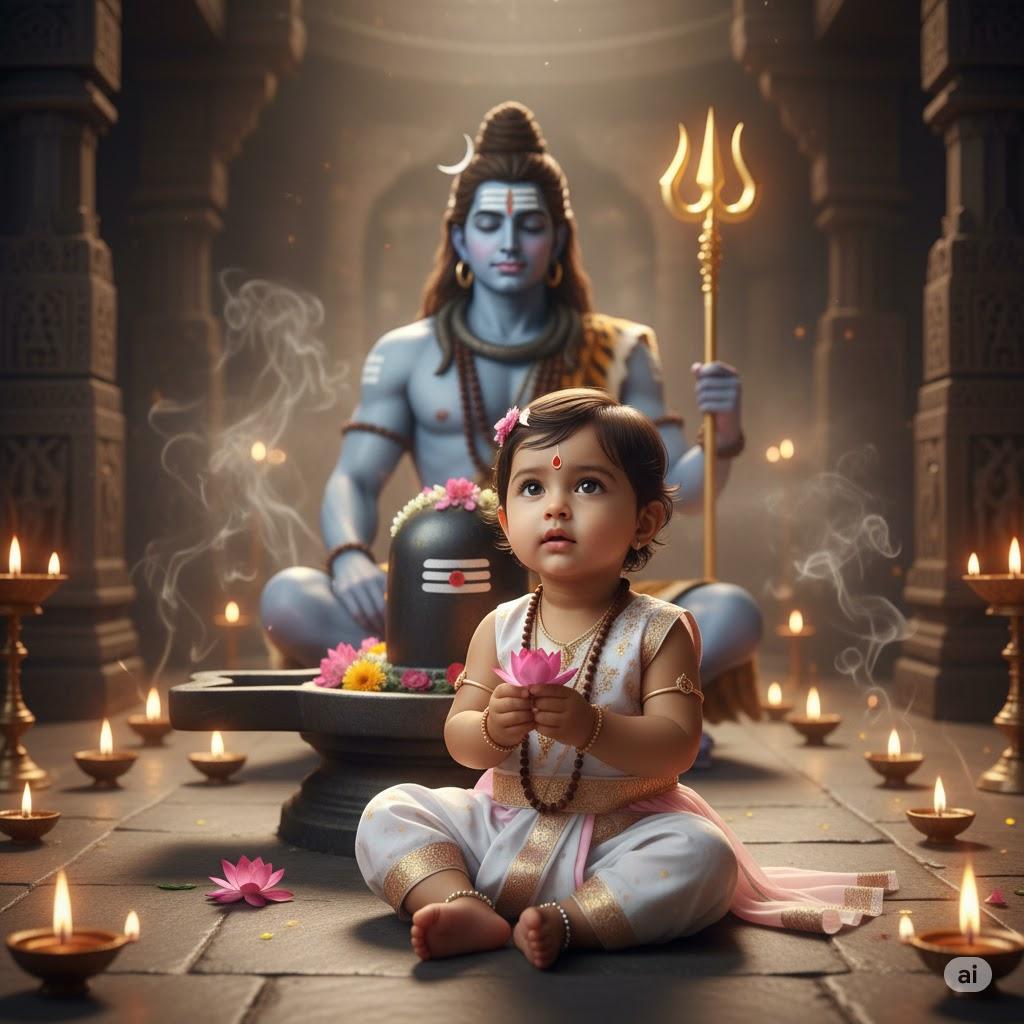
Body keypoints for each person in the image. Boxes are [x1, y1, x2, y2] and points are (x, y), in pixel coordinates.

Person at [260, 101, 761, 730]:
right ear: (460, 237)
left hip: (581, 598)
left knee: (731, 610)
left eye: (529, 224)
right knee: (289, 598)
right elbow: (353, 479)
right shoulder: (406, 352)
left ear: (557, 238)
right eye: (489, 222)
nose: (508, 242)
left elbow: (680, 496)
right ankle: (455, 694)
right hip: (441, 590)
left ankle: (541, 712)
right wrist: (349, 557)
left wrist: (727, 432)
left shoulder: (621, 347)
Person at [355, 389, 898, 967]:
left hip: (619, 834)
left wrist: (592, 727)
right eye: (533, 487)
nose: (556, 507)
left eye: (587, 486)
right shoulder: (500, 624)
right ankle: (459, 904)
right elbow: (459, 739)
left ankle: (573, 921)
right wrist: (493, 728)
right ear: (507, 520)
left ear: (646, 520)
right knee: (388, 811)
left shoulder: (659, 631)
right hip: (501, 818)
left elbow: (677, 745)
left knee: (704, 856)